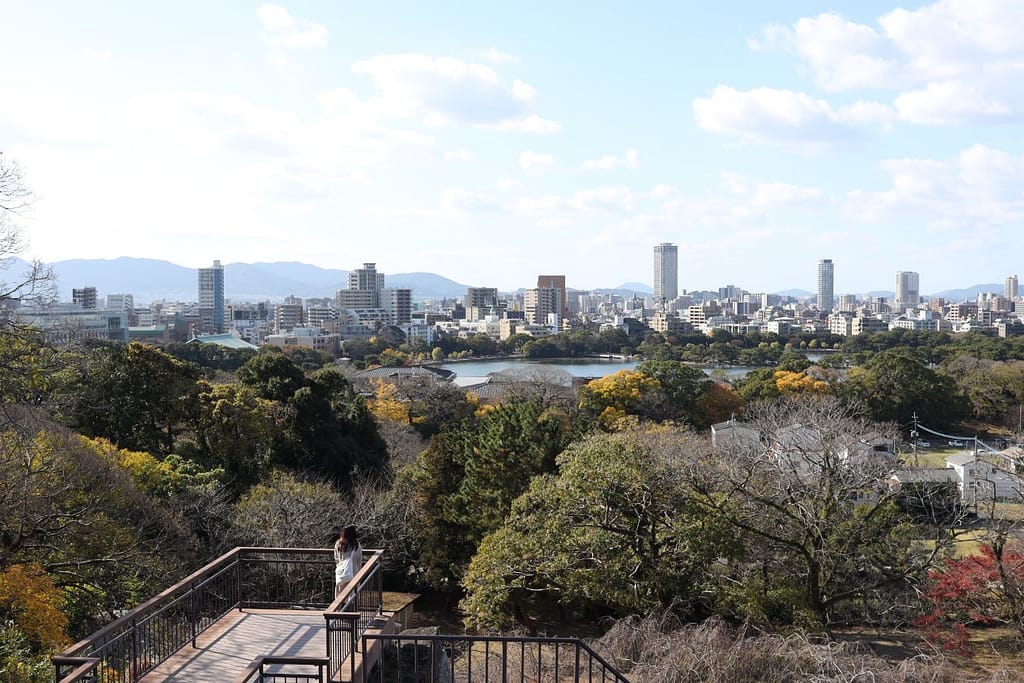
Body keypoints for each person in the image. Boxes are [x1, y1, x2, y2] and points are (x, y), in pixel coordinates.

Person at [334, 525, 362, 598]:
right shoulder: (356, 545)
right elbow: (359, 560)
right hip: (353, 571)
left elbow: (336, 558)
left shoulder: (338, 544)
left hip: (342, 571)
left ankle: (340, 607)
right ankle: (352, 607)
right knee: (352, 593)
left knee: (341, 592)